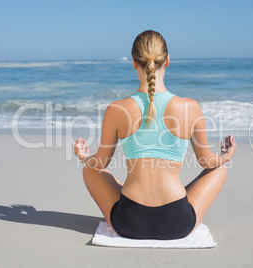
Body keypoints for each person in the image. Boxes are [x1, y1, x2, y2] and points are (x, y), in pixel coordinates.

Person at [74, 30, 236, 240]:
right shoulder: (190, 107)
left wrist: (83, 156)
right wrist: (227, 155)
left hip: (128, 222)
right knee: (220, 168)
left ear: (133, 62)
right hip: (177, 222)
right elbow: (207, 162)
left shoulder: (117, 109)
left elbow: (99, 164)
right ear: (167, 60)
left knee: (89, 170)